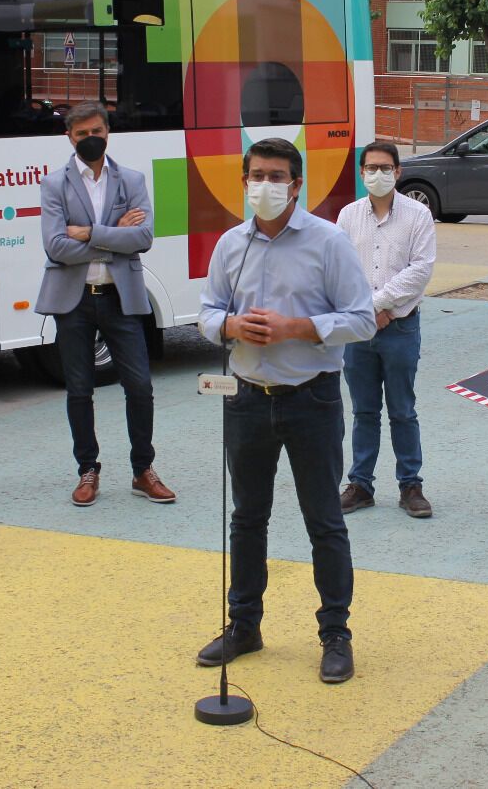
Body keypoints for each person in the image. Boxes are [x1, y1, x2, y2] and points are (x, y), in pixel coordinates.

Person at [195, 137, 375, 685]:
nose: (264, 186)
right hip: (246, 398)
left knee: (324, 520)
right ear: (244, 182)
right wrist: (228, 326)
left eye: (277, 176)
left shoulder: (329, 242)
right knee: (247, 518)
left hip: (312, 398)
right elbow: (206, 310)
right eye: (256, 175)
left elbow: (363, 320)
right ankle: (244, 625)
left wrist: (298, 327)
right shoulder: (231, 244)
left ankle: (335, 635)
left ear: (296, 186)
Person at [36, 101, 173, 507]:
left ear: (107, 132)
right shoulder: (54, 184)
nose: (90, 139)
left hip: (120, 298)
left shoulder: (130, 180)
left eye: (97, 131)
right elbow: (56, 246)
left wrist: (89, 233)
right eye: (82, 134)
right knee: (79, 389)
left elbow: (143, 238)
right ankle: (87, 470)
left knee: (141, 387)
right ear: (69, 137)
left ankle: (142, 470)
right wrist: (112, 237)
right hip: (73, 301)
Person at [336, 141, 437, 518]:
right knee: (363, 411)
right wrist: (367, 310)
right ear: (362, 173)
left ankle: (411, 485)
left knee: (403, 410)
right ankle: (360, 485)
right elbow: (340, 269)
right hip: (359, 331)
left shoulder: (418, 215)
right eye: (370, 168)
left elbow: (420, 270)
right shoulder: (348, 216)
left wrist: (379, 307)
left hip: (400, 327)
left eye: (385, 167)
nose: (377, 174)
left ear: (398, 171)